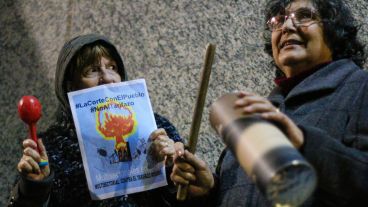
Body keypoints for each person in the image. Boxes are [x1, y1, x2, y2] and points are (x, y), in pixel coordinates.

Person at [171, 0, 368, 206]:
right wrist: (208, 192)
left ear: (333, 32)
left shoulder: (360, 88)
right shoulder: (258, 112)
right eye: (279, 21)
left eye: (304, 16)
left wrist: (304, 142)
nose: (287, 27)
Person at [8, 34, 184, 207]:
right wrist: (35, 188)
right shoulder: (49, 149)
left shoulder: (155, 127)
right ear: (70, 86)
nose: (108, 78)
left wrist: (172, 169)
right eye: (93, 70)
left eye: (113, 67)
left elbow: (192, 196)